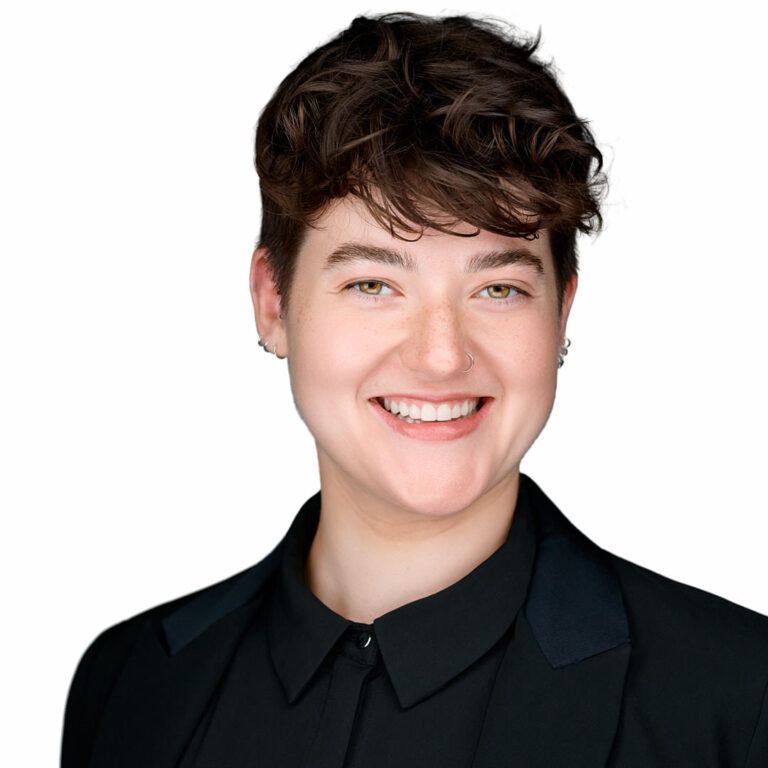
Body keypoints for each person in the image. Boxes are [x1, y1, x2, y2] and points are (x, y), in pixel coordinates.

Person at [61, 12, 768, 767]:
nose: (440, 357)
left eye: (497, 289)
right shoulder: (131, 684)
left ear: (561, 310)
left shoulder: (738, 703)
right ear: (273, 304)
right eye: (373, 283)